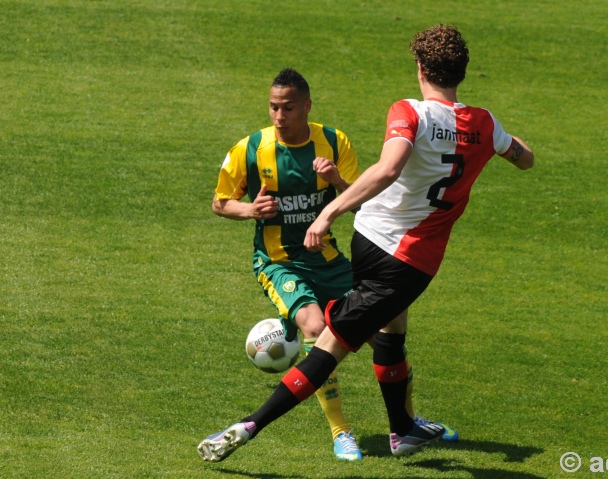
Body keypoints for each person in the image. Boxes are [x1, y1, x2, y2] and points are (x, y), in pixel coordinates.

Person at [197, 25, 533, 462]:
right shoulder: (485, 124)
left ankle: (404, 430)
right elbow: (523, 159)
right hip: (407, 259)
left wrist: (334, 207)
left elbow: (392, 166)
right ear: (462, 73)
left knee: (392, 333)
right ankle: (251, 425)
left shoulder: (409, 112)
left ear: (419, 68)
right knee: (330, 344)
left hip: (371, 239)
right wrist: (328, 211)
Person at [201, 68, 456, 462]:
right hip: (279, 262)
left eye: (287, 107)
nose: (278, 116)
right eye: (273, 107)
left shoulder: (334, 142)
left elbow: (364, 199)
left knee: (385, 336)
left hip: (330, 259)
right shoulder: (249, 149)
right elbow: (220, 202)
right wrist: (250, 209)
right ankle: (341, 432)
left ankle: (406, 423)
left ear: (306, 106)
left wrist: (337, 179)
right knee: (316, 327)